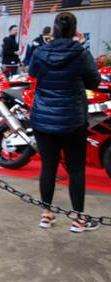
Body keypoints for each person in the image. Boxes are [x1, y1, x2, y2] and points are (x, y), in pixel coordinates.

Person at [29, 12, 101, 232]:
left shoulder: (41, 52)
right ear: (74, 30)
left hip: (44, 119)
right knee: (76, 168)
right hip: (73, 119)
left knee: (48, 167)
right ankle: (78, 219)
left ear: (55, 29)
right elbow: (94, 82)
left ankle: (46, 215)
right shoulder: (81, 53)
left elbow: (33, 73)